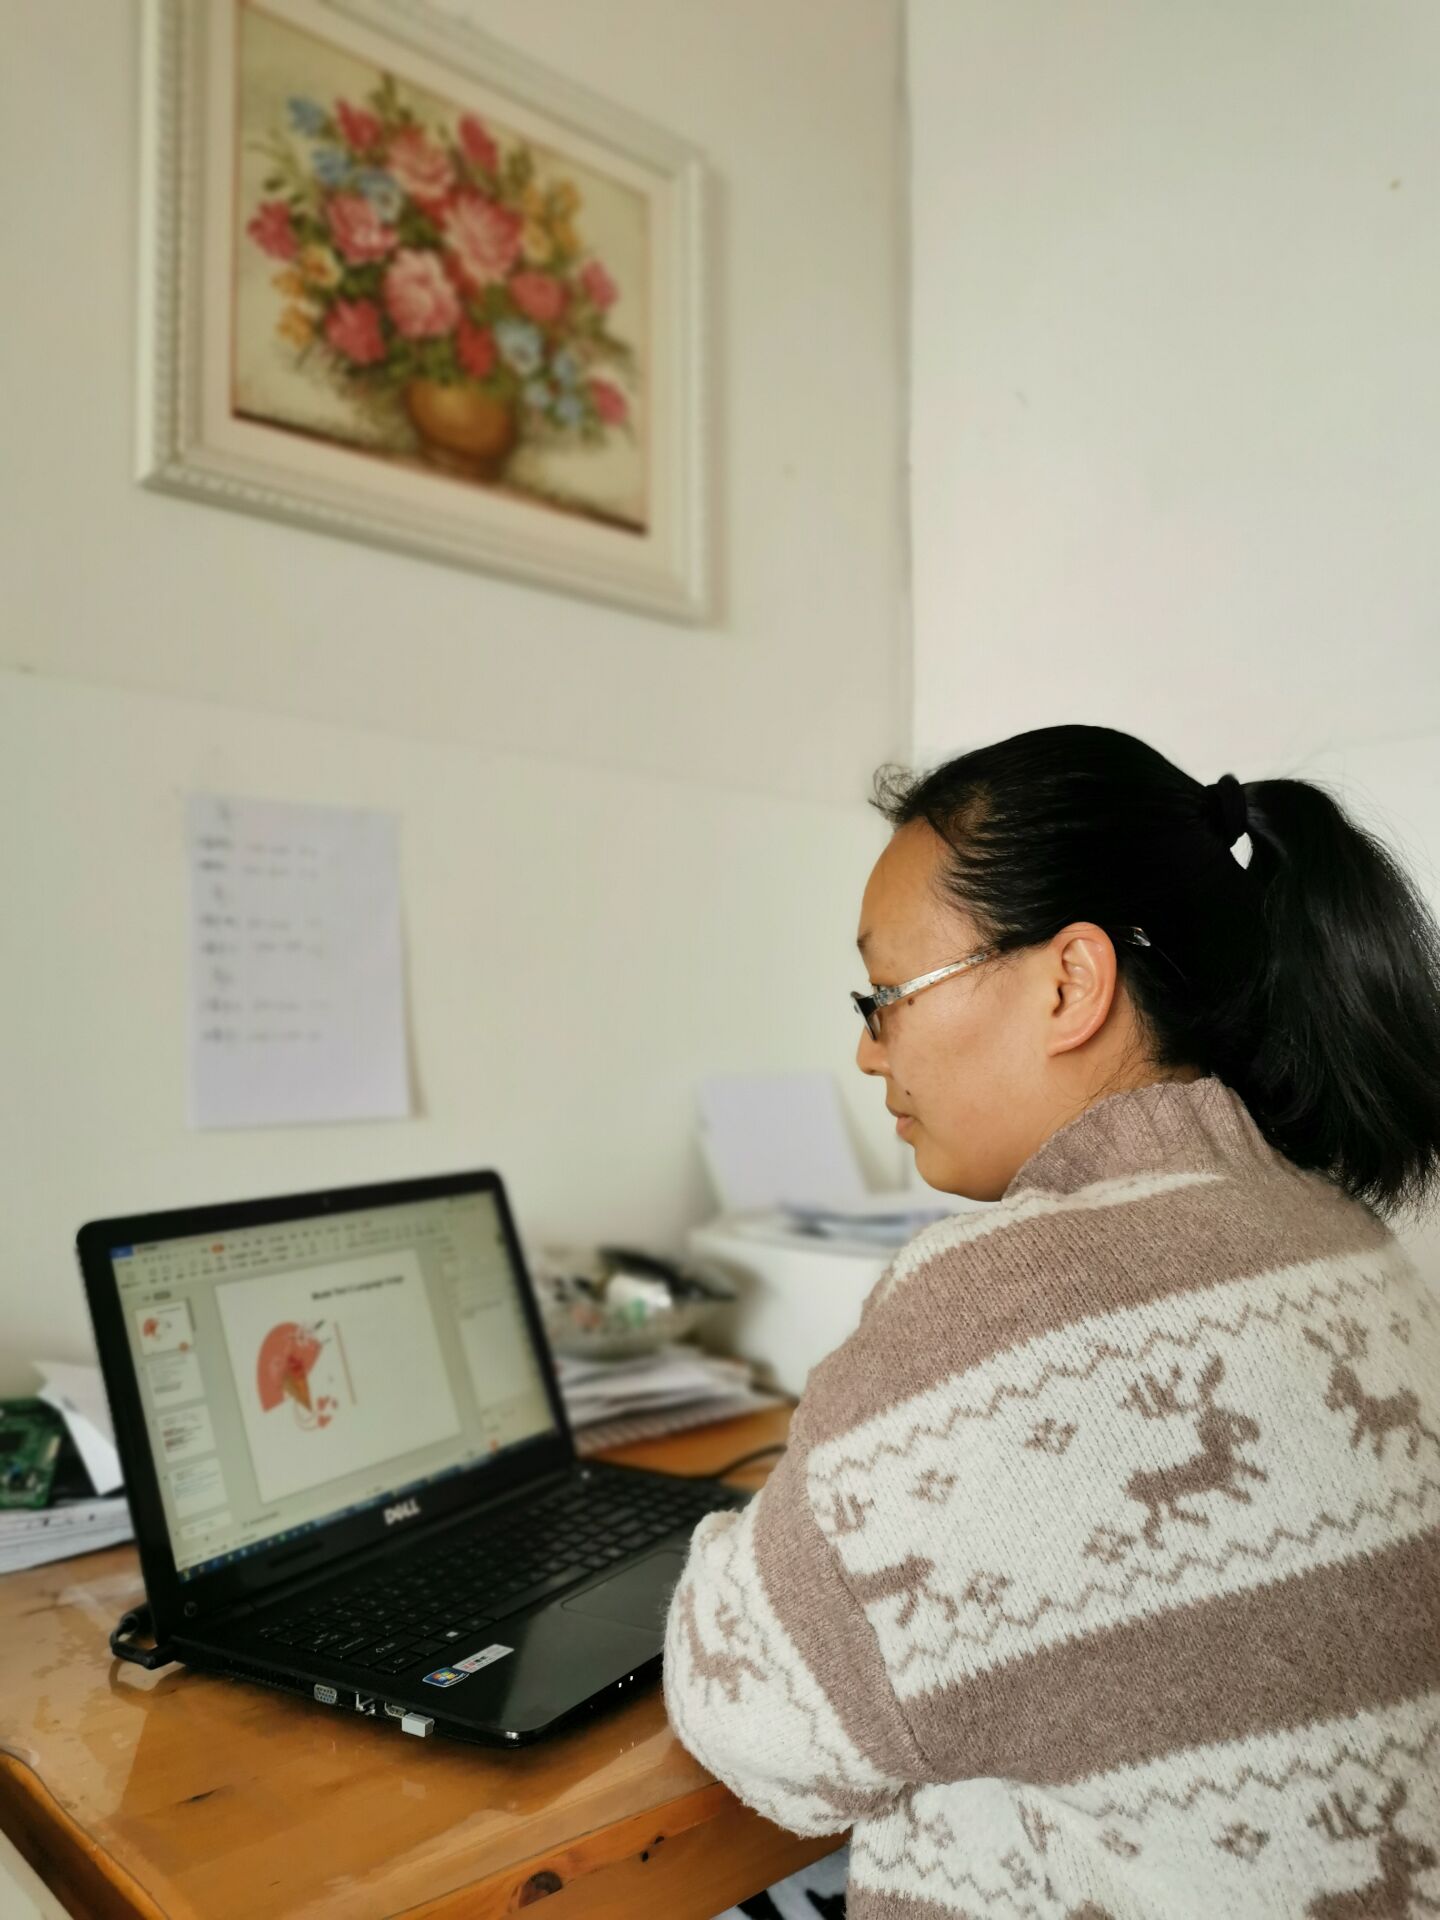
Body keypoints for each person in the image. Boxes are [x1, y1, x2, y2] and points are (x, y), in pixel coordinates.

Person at [663, 724, 1440, 1920]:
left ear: (1071, 983)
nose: (867, 1050)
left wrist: (779, 1505)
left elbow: (751, 1721)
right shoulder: (1344, 1237)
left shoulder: (998, 1299)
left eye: (884, 997)